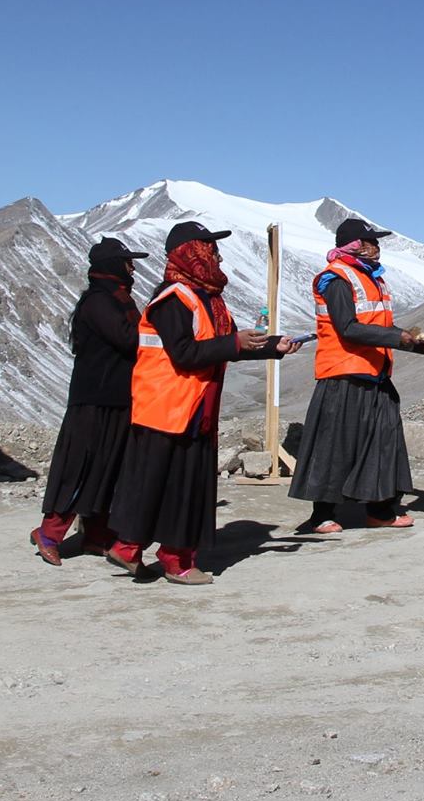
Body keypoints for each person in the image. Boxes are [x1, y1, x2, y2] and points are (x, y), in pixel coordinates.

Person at [108, 221, 296, 584]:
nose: (217, 255)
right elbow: (185, 353)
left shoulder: (208, 300)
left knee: (159, 481)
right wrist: (236, 344)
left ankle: (129, 547)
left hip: (190, 406)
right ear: (189, 253)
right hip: (171, 406)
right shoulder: (174, 299)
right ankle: (176, 560)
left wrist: (274, 347)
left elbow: (227, 345)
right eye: (208, 248)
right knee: (179, 484)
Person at [289, 217, 424, 534]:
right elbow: (347, 328)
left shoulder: (374, 280)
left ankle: (381, 509)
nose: (376, 247)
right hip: (343, 372)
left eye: (377, 242)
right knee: (335, 444)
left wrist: (416, 344)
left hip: (375, 372)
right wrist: (399, 339)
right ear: (354, 245)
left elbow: (379, 328)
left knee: (384, 441)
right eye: (370, 242)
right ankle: (322, 514)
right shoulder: (337, 279)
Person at [30, 237, 147, 565]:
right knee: (79, 467)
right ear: (111, 265)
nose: (133, 267)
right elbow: (127, 339)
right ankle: (50, 532)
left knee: (108, 468)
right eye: (127, 262)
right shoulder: (99, 302)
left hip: (118, 398)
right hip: (94, 399)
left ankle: (96, 533)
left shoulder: (119, 300)